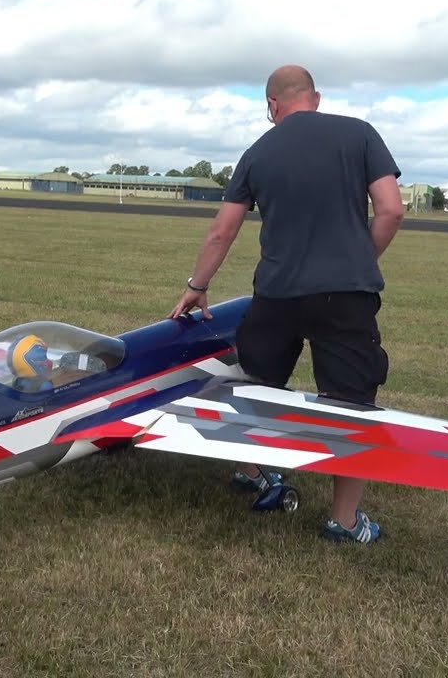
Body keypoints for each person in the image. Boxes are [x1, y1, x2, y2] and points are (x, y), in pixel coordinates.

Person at [168, 64, 406, 545]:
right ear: (314, 97)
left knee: (257, 385)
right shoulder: (360, 134)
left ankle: (252, 472)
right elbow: (391, 208)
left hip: (275, 293)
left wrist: (198, 284)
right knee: (352, 402)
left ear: (271, 105)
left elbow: (223, 230)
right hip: (346, 296)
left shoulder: (257, 151)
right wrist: (359, 259)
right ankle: (344, 521)